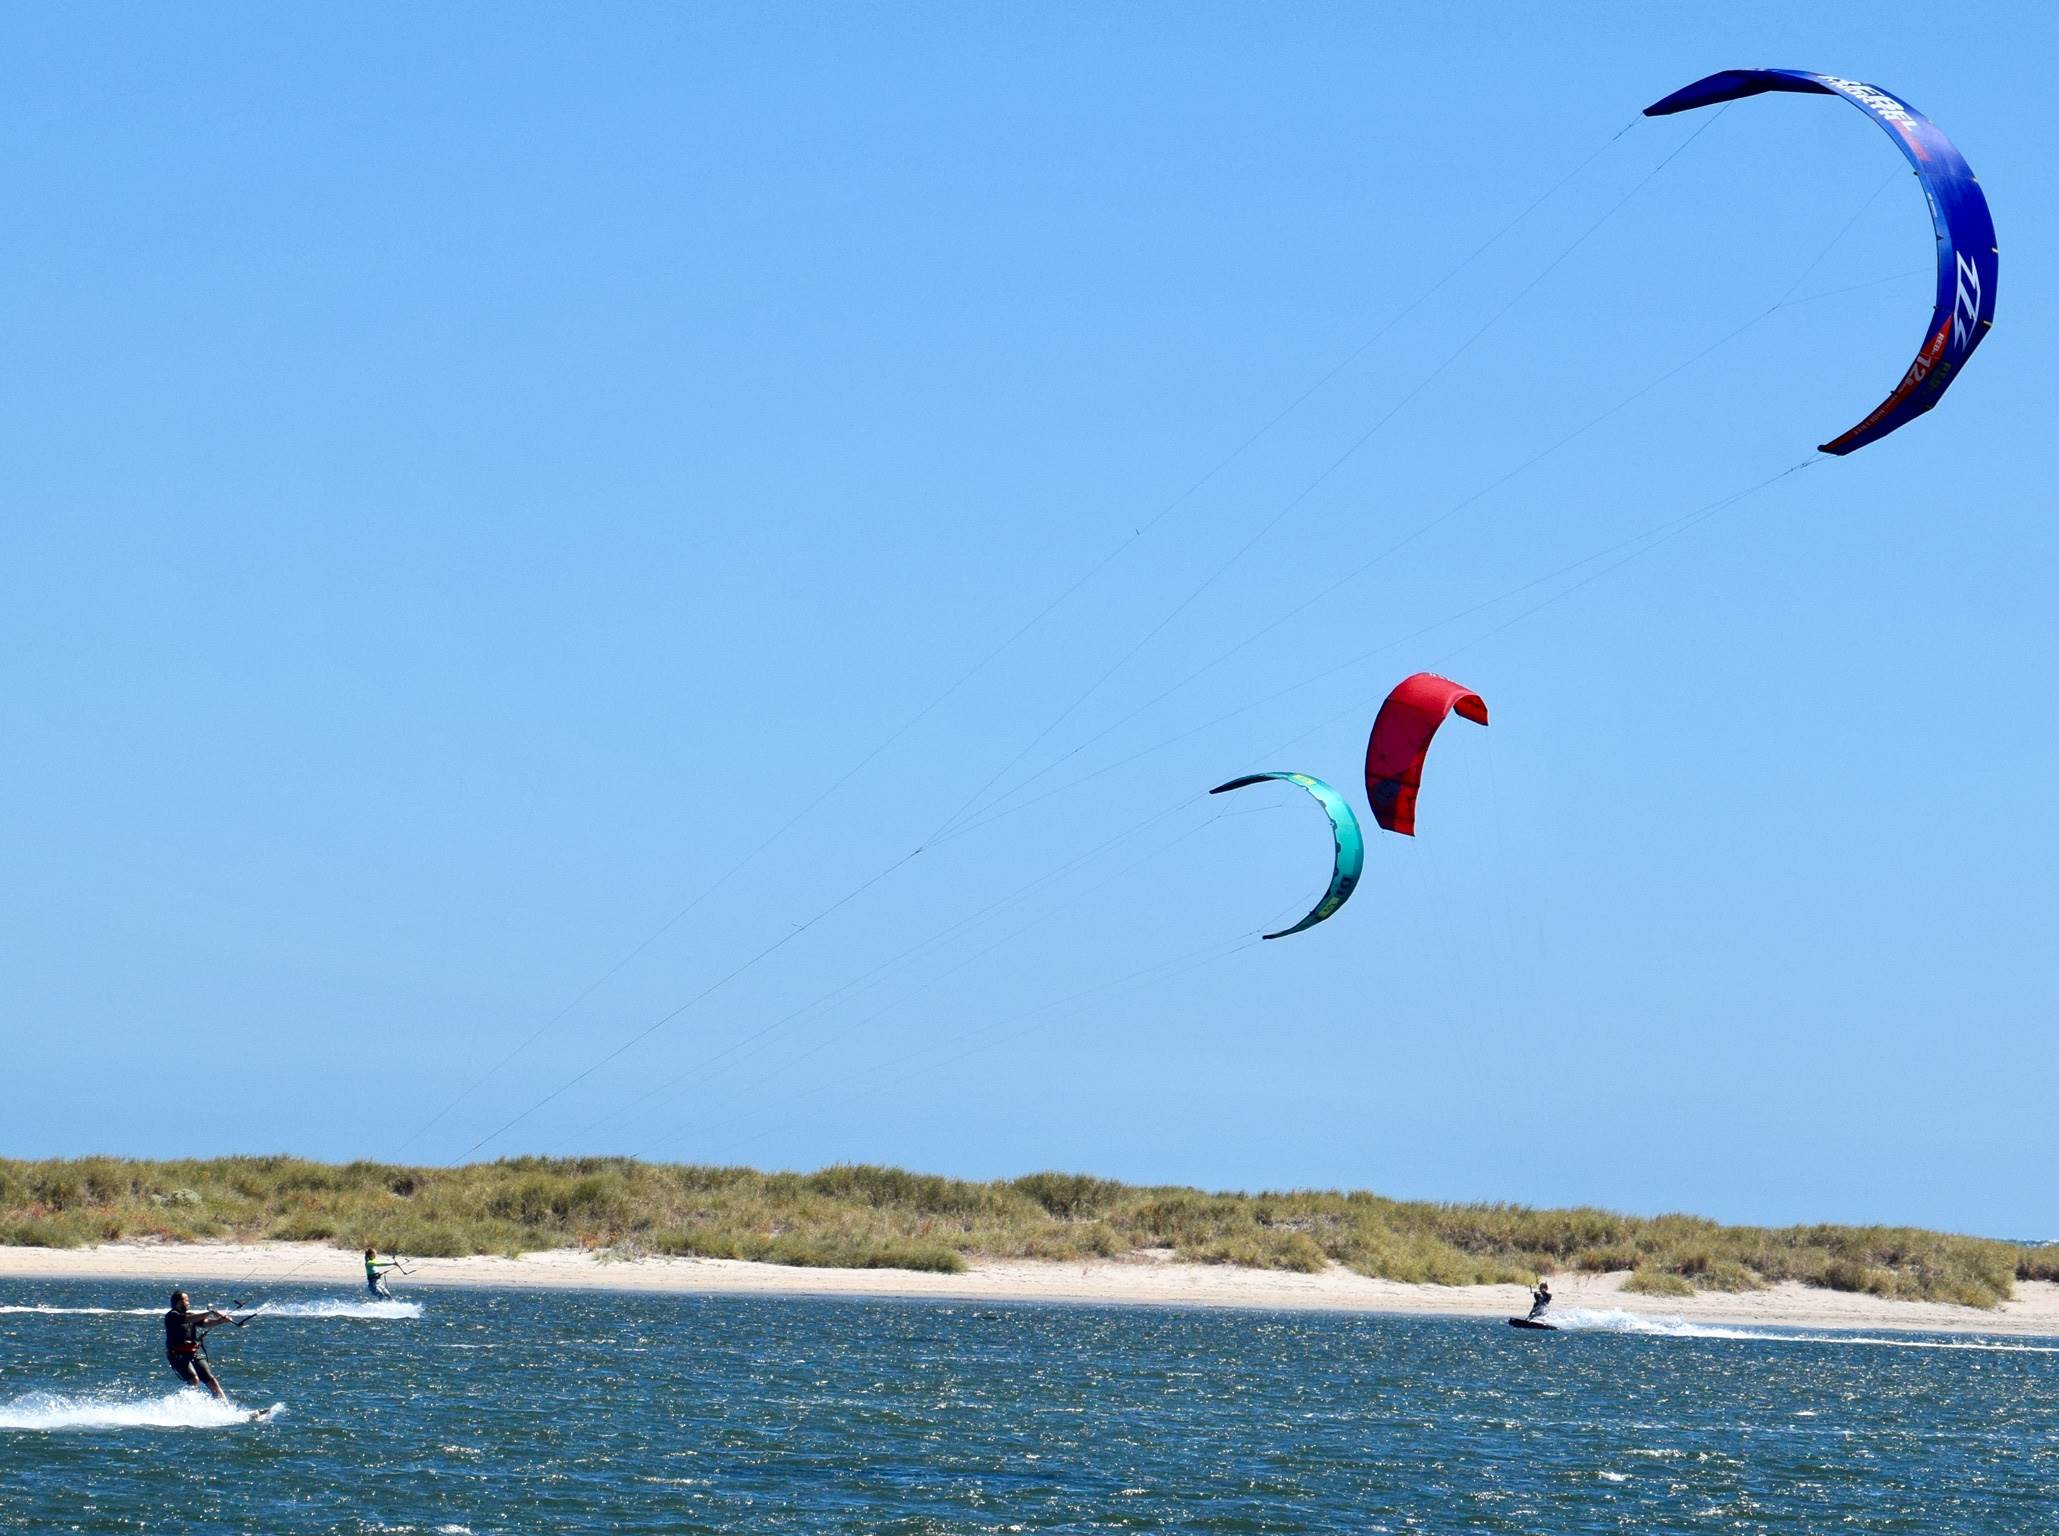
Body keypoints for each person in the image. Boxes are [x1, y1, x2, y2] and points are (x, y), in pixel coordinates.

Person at [163, 1291, 233, 1399]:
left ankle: (225, 1408)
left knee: (212, 1381)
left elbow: (205, 1323)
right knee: (194, 1379)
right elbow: (189, 1319)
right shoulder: (172, 1315)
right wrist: (209, 1312)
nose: (188, 1302)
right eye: (186, 1300)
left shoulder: (191, 1315)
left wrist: (221, 1321)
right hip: (177, 1355)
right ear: (178, 1302)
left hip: (192, 1353)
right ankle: (187, 1406)